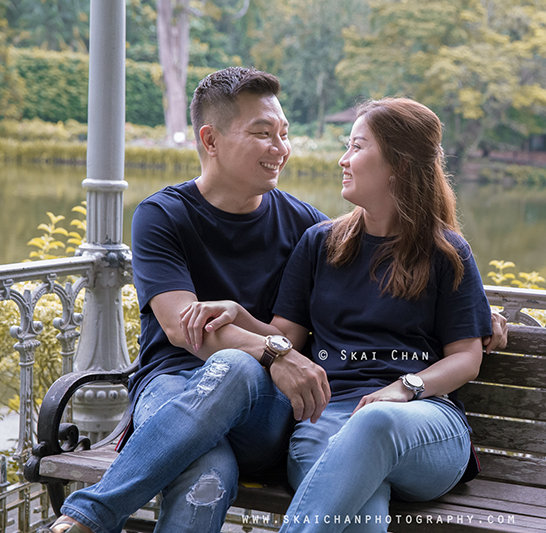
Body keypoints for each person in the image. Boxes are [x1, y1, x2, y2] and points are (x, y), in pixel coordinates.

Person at [40, 68, 507, 533]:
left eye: (283, 134)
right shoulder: (166, 215)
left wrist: (474, 303)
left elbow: (393, 254)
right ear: (210, 140)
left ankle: (87, 517)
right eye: (263, 134)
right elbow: (189, 330)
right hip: (177, 386)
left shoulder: (307, 224)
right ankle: (90, 517)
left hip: (280, 407)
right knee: (209, 471)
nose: (282, 148)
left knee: (243, 371)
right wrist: (272, 348)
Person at [181, 97, 493, 533]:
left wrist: (405, 388)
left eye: (358, 147)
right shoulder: (320, 244)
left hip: (423, 424)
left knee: (375, 421)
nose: (344, 160)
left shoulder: (446, 252)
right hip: (325, 422)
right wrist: (240, 316)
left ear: (398, 166)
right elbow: (283, 337)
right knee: (362, 515)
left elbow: (467, 358)